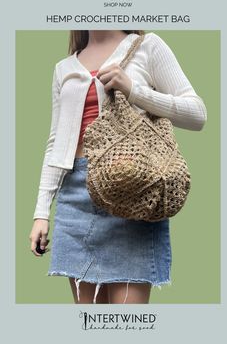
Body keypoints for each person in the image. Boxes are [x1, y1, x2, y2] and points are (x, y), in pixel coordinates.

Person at [29, 30, 207, 304]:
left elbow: (197, 114)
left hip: (131, 193)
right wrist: (41, 212)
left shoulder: (147, 46)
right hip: (74, 199)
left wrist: (134, 91)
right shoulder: (63, 68)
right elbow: (55, 142)